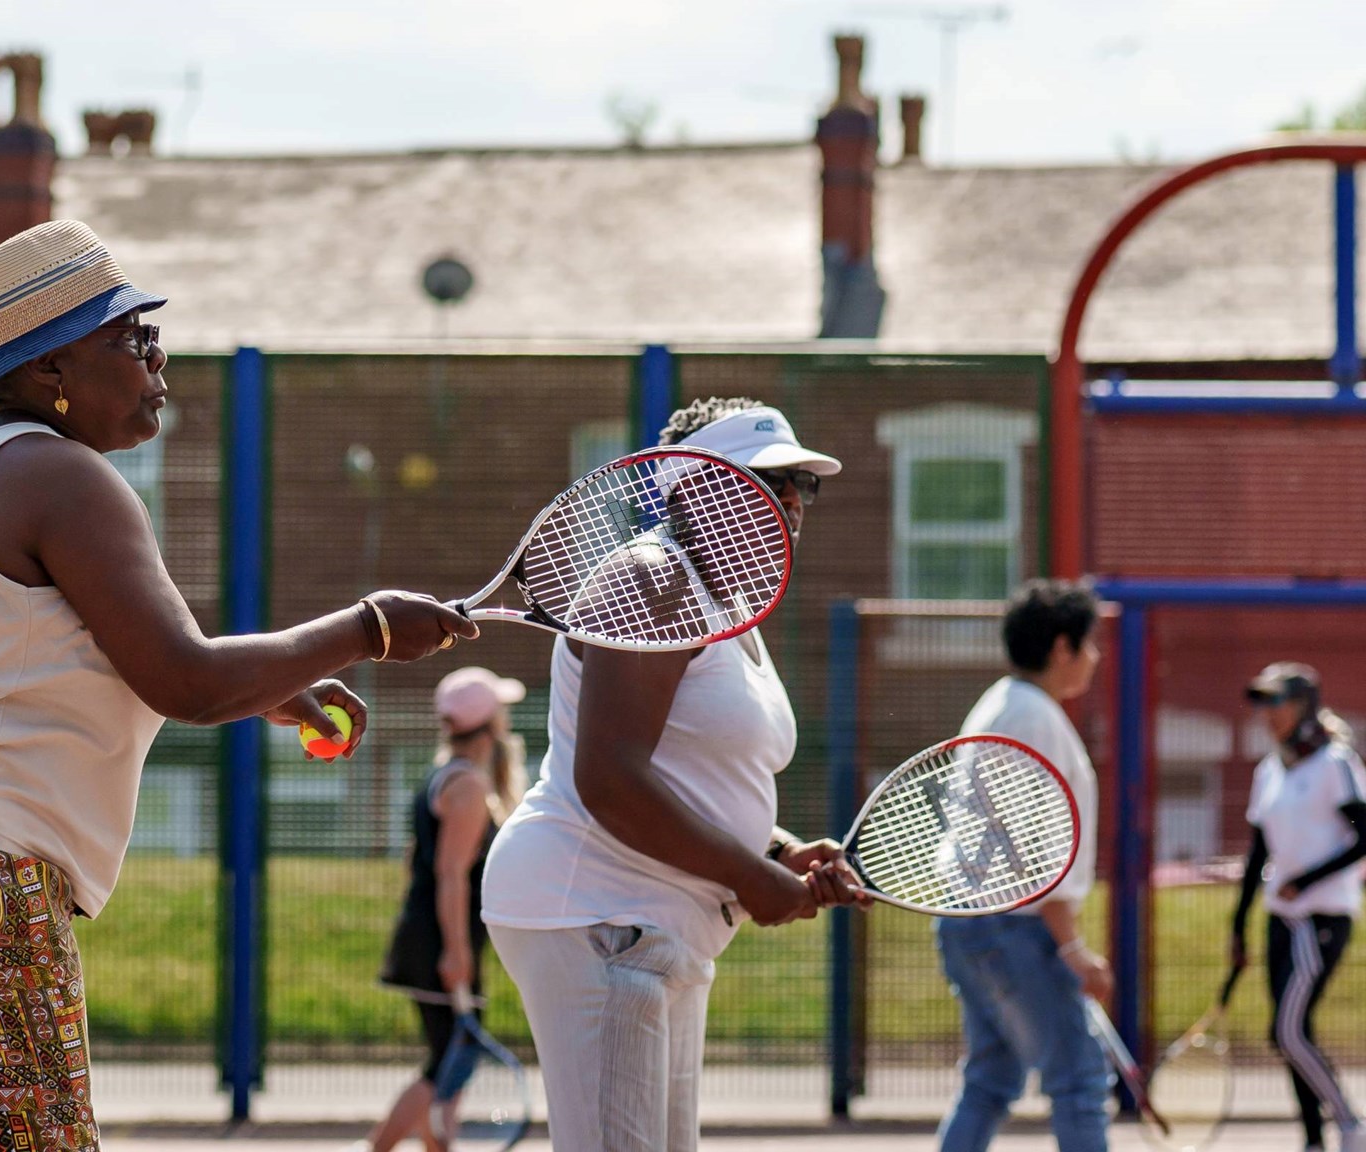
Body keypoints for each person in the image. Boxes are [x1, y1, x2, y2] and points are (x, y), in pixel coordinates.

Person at [0, 220, 473, 1152]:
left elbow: (58, 655)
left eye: (151, 330)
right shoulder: (65, 477)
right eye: (125, 336)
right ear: (47, 373)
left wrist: (273, 685)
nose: (156, 353)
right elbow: (185, 678)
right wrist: (370, 630)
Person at [480, 397, 865, 1152]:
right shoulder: (653, 577)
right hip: (594, 913)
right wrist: (753, 881)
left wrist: (775, 852)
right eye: (767, 480)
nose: (789, 502)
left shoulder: (731, 606)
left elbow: (686, 773)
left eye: (800, 486)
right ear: (692, 489)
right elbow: (610, 779)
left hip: (659, 927)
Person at [933, 580, 1109, 1152]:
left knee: (991, 1080)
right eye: (1089, 644)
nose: (1096, 657)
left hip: (965, 919)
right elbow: (1037, 849)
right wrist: (1074, 949)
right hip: (1014, 927)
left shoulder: (1001, 702)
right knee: (1079, 1080)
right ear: (1062, 648)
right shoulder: (1035, 719)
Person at [365, 666, 529, 1152]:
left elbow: (418, 860)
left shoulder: (444, 776)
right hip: (442, 943)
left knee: (451, 1062)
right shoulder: (470, 786)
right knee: (448, 1065)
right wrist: (456, 952)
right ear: (492, 722)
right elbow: (450, 874)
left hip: (429, 935)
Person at [1233, 662, 1366, 1152]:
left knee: (1286, 1031)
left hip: (1322, 918)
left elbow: (1362, 838)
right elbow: (1257, 853)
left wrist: (1306, 881)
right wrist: (1238, 924)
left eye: (1278, 701)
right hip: (1279, 920)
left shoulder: (1335, 764)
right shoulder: (1269, 770)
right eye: (1263, 703)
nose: (1269, 713)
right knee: (1295, 1032)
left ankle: (1350, 1123)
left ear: (1304, 705)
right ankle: (1313, 1139)